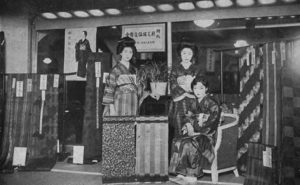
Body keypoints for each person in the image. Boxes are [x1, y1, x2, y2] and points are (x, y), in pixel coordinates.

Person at [169, 75, 221, 183]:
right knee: (178, 141)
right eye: (195, 88)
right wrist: (188, 125)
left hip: (207, 135)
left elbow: (212, 122)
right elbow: (187, 116)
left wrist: (196, 129)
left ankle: (192, 176)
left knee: (189, 143)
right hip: (195, 133)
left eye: (201, 88)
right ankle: (182, 173)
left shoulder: (212, 103)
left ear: (206, 89)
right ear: (192, 89)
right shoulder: (193, 103)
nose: (198, 91)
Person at [169, 37, 201, 139]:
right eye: (184, 53)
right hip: (179, 103)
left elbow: (199, 85)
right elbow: (173, 85)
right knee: (179, 129)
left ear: (193, 55)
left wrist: (192, 89)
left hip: (193, 102)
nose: (186, 56)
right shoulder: (175, 70)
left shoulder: (196, 69)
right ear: (180, 54)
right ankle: (178, 153)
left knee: (193, 127)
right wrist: (185, 92)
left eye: (189, 54)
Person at [102, 37, 138, 116]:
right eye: (125, 51)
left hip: (132, 103)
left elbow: (139, 89)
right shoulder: (115, 70)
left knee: (130, 127)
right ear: (120, 52)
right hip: (119, 104)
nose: (128, 54)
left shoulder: (134, 70)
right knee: (119, 127)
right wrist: (112, 110)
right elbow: (109, 90)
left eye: (130, 52)